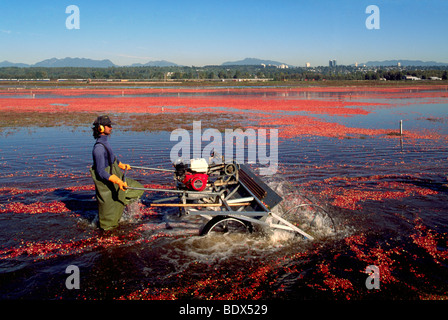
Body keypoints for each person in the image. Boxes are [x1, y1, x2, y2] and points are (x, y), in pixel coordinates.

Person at [90, 115, 144, 230]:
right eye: (108, 126)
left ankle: (122, 206)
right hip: (107, 182)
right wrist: (118, 181)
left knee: (137, 188)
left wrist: (120, 164)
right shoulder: (98, 149)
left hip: (114, 175)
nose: (111, 128)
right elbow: (100, 172)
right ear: (101, 128)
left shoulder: (105, 142)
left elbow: (111, 156)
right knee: (109, 225)